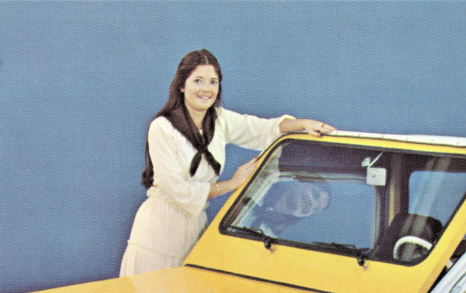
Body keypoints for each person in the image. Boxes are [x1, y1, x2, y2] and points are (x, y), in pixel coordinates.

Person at [119, 49, 335, 276]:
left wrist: (305, 124)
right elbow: (178, 191)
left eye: (213, 82)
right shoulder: (162, 127)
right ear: (182, 85)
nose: (206, 89)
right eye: (198, 81)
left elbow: (264, 129)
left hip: (195, 229)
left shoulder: (219, 120)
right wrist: (232, 184)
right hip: (157, 232)